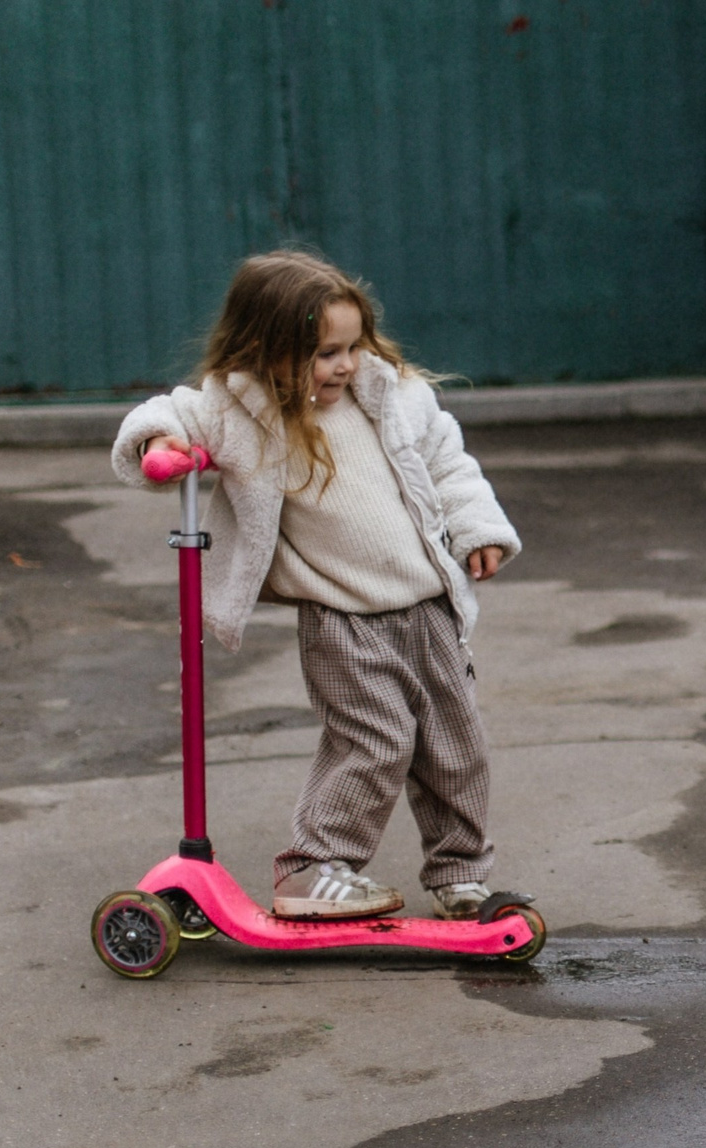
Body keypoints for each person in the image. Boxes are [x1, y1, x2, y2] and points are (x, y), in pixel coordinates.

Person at [113, 250, 521, 920]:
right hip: (343, 621)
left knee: (456, 746)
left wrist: (479, 528)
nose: (345, 365)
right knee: (375, 741)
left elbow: (448, 459)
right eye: (325, 352)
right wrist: (160, 444)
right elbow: (165, 414)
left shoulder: (387, 395)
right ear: (267, 349)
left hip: (429, 609)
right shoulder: (240, 411)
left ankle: (460, 874)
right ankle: (312, 868)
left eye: (352, 346)